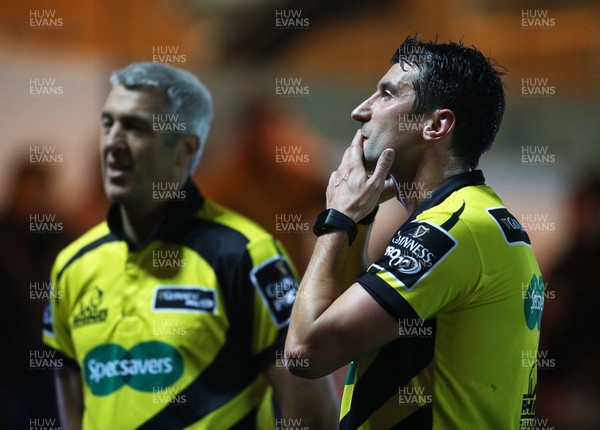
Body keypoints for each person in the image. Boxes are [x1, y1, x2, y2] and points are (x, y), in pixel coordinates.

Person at [42, 62, 337, 429]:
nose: (113, 142)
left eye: (135, 127)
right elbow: (72, 397)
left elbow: (314, 412)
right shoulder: (73, 264)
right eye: (108, 123)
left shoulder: (248, 256)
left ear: (184, 150)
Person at [285, 35, 544, 429]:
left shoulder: (452, 229)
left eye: (385, 95)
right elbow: (339, 317)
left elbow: (306, 353)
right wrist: (360, 216)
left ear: (436, 124)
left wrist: (337, 219)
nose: (360, 111)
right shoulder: (475, 217)